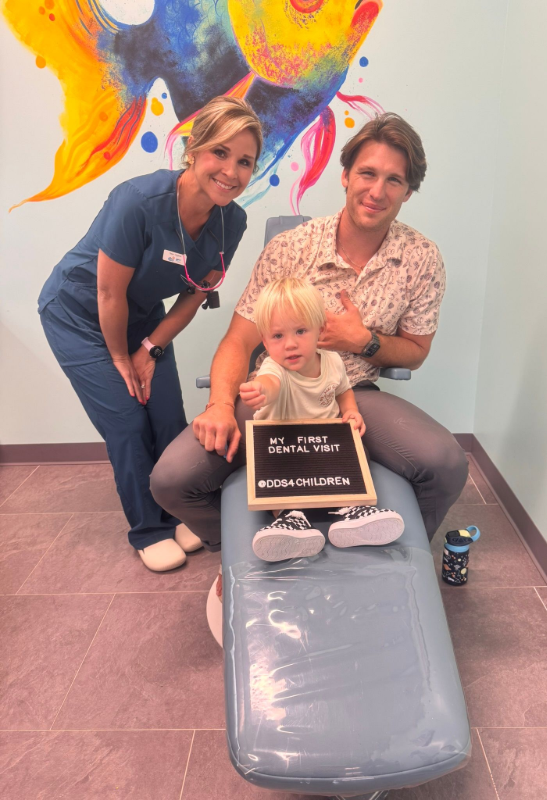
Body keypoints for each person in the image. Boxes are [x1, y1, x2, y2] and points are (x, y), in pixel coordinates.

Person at [150, 112, 469, 566]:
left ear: (408, 191)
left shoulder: (421, 258)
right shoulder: (292, 248)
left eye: (394, 180)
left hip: (349, 396)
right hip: (273, 397)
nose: (377, 191)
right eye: (367, 173)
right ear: (345, 176)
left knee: (446, 464)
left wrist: (366, 342)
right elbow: (238, 343)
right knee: (171, 480)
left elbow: (416, 352)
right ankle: (238, 557)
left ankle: (394, 566)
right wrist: (221, 405)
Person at [38, 96, 263, 572]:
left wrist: (152, 346)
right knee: (126, 419)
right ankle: (149, 528)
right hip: (78, 312)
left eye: (244, 161)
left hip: (141, 316)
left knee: (166, 415)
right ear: (193, 149)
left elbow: (197, 293)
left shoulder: (233, 221)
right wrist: (123, 359)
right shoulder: (137, 201)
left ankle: (178, 509)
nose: (231, 171)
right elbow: (107, 295)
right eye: (220, 153)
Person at [240, 277, 405, 562]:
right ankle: (290, 521)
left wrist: (351, 410)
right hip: (284, 442)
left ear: (320, 329)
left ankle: (353, 513)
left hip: (324, 441)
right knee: (280, 478)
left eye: (301, 331)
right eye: (277, 336)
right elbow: (271, 382)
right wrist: (260, 390)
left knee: (354, 451)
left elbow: (343, 390)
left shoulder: (332, 361)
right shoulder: (274, 367)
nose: (290, 345)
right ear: (265, 340)